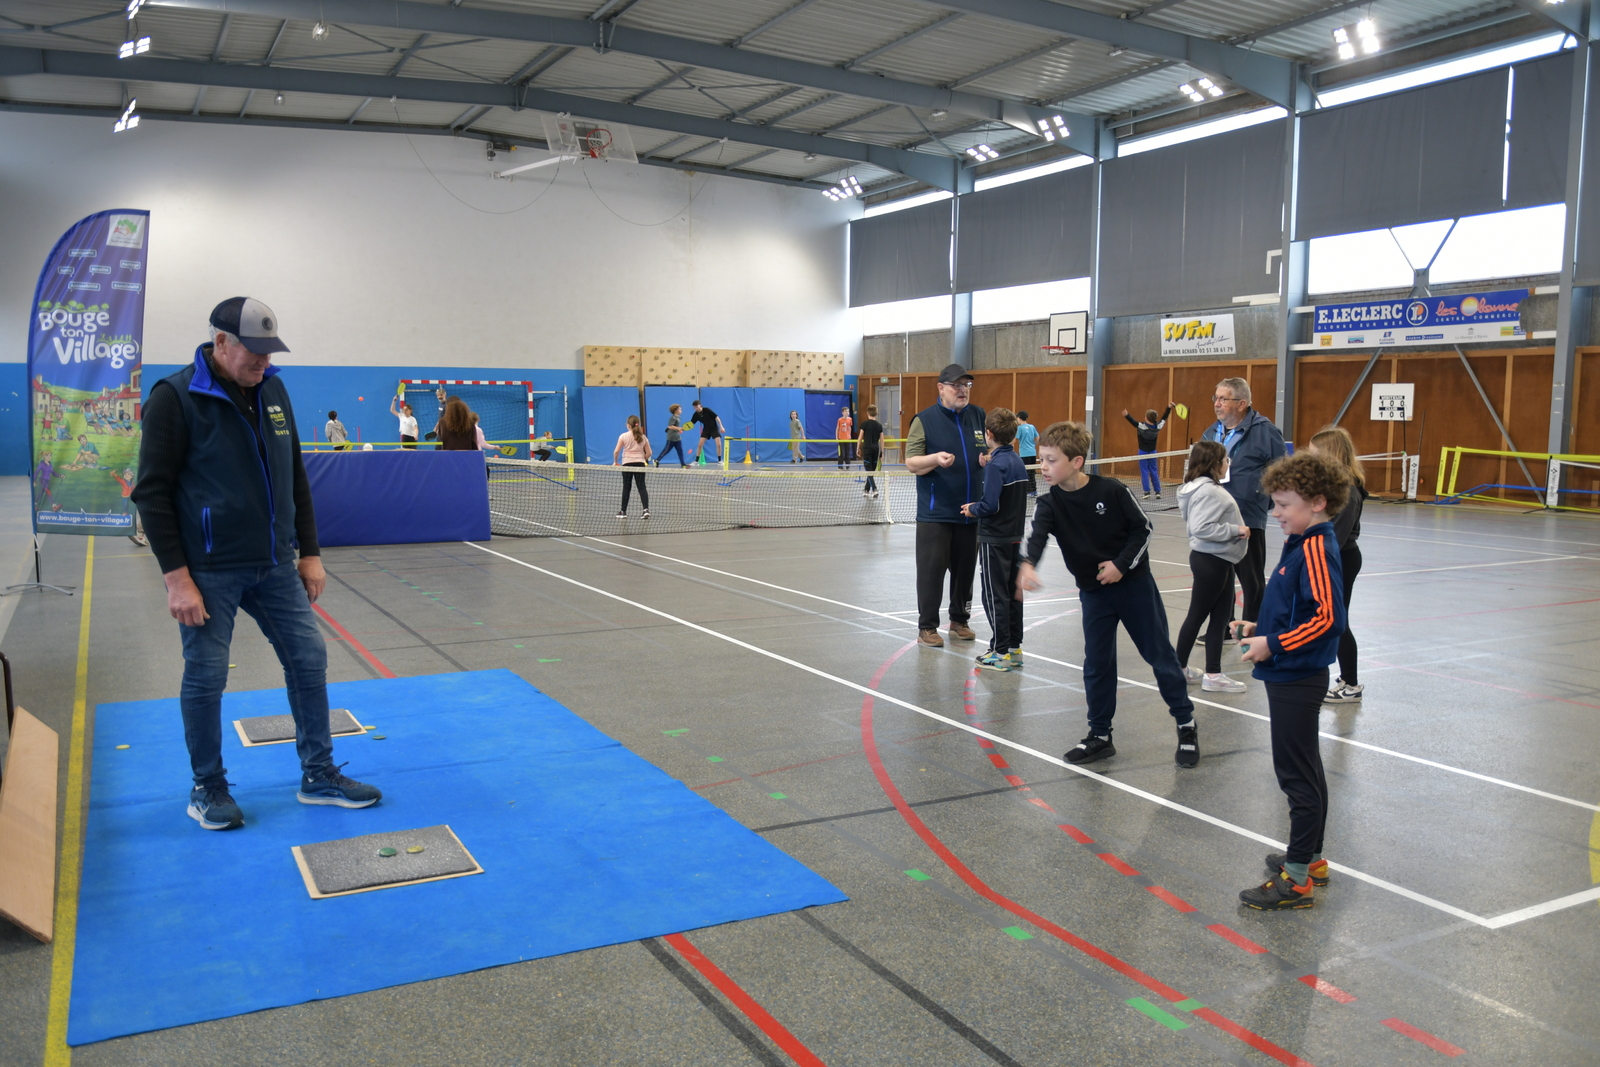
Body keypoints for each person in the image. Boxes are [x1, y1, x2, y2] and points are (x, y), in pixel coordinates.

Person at [130, 296, 381, 831]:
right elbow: (151, 493)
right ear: (221, 342)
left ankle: (319, 774)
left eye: (270, 352)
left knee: (309, 658)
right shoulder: (175, 398)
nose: (264, 362)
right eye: (254, 352)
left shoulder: (273, 390)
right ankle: (208, 786)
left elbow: (294, 477)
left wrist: (309, 552)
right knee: (206, 675)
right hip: (208, 571)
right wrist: (177, 579)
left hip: (274, 565)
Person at [1018, 421, 1199, 768]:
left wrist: (1120, 565)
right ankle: (1100, 735)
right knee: (1097, 664)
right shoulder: (1048, 503)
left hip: (1134, 588)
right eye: (1041, 459)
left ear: (1076, 462)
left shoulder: (1112, 490)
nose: (1043, 467)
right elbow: (1036, 536)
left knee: (1160, 657)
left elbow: (1142, 529)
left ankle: (1186, 724)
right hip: (1094, 594)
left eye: (1051, 460)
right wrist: (1028, 565)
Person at [1234, 452, 1348, 909]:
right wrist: (1259, 628)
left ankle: (1297, 878)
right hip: (1291, 672)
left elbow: (1328, 619)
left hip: (1296, 677)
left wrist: (1274, 644)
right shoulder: (1302, 541)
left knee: (1296, 775)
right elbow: (1296, 608)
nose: (1275, 513)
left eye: (1284, 505)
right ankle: (1311, 859)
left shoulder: (1316, 547)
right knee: (1307, 768)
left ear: (1318, 503)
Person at [905, 364, 988, 647]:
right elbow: (911, 462)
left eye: (967, 385)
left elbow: (988, 448)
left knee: (965, 572)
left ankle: (959, 620)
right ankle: (927, 627)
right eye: (957, 385)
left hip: (971, 511)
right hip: (936, 513)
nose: (963, 390)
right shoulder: (924, 420)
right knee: (931, 573)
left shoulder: (978, 415)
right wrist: (935, 459)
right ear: (941, 388)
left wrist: (988, 457)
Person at [1202, 378, 1286, 625]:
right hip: (1216, 517)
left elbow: (1281, 472)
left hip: (1247, 516)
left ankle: (1253, 628)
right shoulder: (1211, 432)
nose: (1217, 404)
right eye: (1216, 398)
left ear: (1242, 403)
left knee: (1251, 580)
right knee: (1220, 577)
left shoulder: (1266, 432)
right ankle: (1223, 627)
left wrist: (1263, 501)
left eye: (1223, 399)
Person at [1173, 441, 1250, 693]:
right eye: (1226, 460)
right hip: (1212, 561)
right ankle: (1178, 669)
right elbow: (1201, 528)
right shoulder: (1209, 492)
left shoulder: (1200, 489)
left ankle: (1212, 674)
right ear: (1214, 463)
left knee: (1220, 618)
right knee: (1197, 615)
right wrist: (1236, 530)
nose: (1228, 464)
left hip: (1219, 560)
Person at [961, 408, 1028, 672]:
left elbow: (990, 505)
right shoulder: (1016, 461)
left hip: (994, 539)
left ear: (988, 434)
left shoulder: (996, 466)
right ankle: (1014, 649)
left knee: (994, 595)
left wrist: (972, 509)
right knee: (1012, 594)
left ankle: (999, 653)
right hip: (1014, 538)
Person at [1307, 426, 1368, 704]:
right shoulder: (1332, 487)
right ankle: (1345, 678)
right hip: (1333, 556)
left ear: (1330, 454)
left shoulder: (1348, 492)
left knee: (1338, 622)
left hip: (1342, 558)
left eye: (1315, 455)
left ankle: (1352, 685)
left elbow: (1335, 537)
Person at [1123, 403, 1174, 499]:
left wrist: (1127, 415)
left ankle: (1147, 492)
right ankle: (1158, 492)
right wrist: (1169, 408)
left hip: (1143, 452)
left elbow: (1133, 422)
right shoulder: (1158, 426)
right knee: (1154, 471)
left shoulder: (1142, 426)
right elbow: (1164, 418)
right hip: (1153, 452)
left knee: (1144, 472)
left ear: (1146, 418)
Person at [614, 414, 652, 519]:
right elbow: (649, 453)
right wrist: (642, 459)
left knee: (626, 487)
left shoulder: (623, 436)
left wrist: (615, 462)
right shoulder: (643, 437)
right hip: (640, 464)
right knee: (641, 487)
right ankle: (645, 510)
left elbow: (616, 451)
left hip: (627, 464)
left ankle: (623, 511)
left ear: (628, 425)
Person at [857, 405, 884, 498]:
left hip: (867, 449)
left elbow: (860, 437)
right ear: (876, 414)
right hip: (876, 449)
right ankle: (866, 490)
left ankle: (874, 489)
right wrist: (882, 452)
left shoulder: (864, 424)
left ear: (867, 413)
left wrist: (858, 448)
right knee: (871, 470)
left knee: (869, 471)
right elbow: (882, 440)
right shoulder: (879, 425)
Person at [690, 400, 725, 464]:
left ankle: (720, 460)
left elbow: (716, 417)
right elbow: (691, 423)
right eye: (694, 407)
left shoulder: (707, 410)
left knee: (719, 444)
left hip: (714, 428)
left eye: (697, 407)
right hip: (706, 429)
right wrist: (683, 429)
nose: (696, 408)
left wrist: (721, 426)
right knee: (700, 445)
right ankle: (696, 461)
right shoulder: (696, 414)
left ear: (700, 405)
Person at [1014, 410, 1039, 495]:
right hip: (1033, 452)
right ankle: (1034, 490)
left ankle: (1029, 491)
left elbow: (1015, 439)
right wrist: (1033, 445)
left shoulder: (1019, 428)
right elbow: (1037, 438)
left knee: (1026, 472)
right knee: (1032, 472)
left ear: (1019, 418)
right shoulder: (1032, 427)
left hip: (1024, 454)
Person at [835, 405, 854, 469]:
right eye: (846, 411)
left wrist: (850, 435)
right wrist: (837, 438)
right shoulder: (840, 420)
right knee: (841, 453)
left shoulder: (850, 419)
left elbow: (850, 427)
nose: (847, 412)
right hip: (841, 438)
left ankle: (848, 465)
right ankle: (840, 465)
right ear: (842, 412)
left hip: (847, 439)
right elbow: (837, 428)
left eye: (848, 411)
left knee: (847, 453)